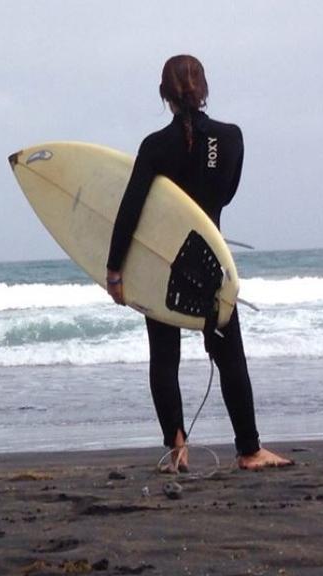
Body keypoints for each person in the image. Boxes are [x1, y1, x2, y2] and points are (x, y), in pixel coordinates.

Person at [105, 55, 292, 472]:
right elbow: (224, 196)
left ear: (163, 95)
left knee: (164, 357)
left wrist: (115, 269)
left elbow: (130, 210)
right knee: (230, 358)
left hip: (164, 266)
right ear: (204, 89)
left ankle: (177, 450)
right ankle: (249, 450)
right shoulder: (231, 139)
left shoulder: (155, 147)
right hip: (210, 263)